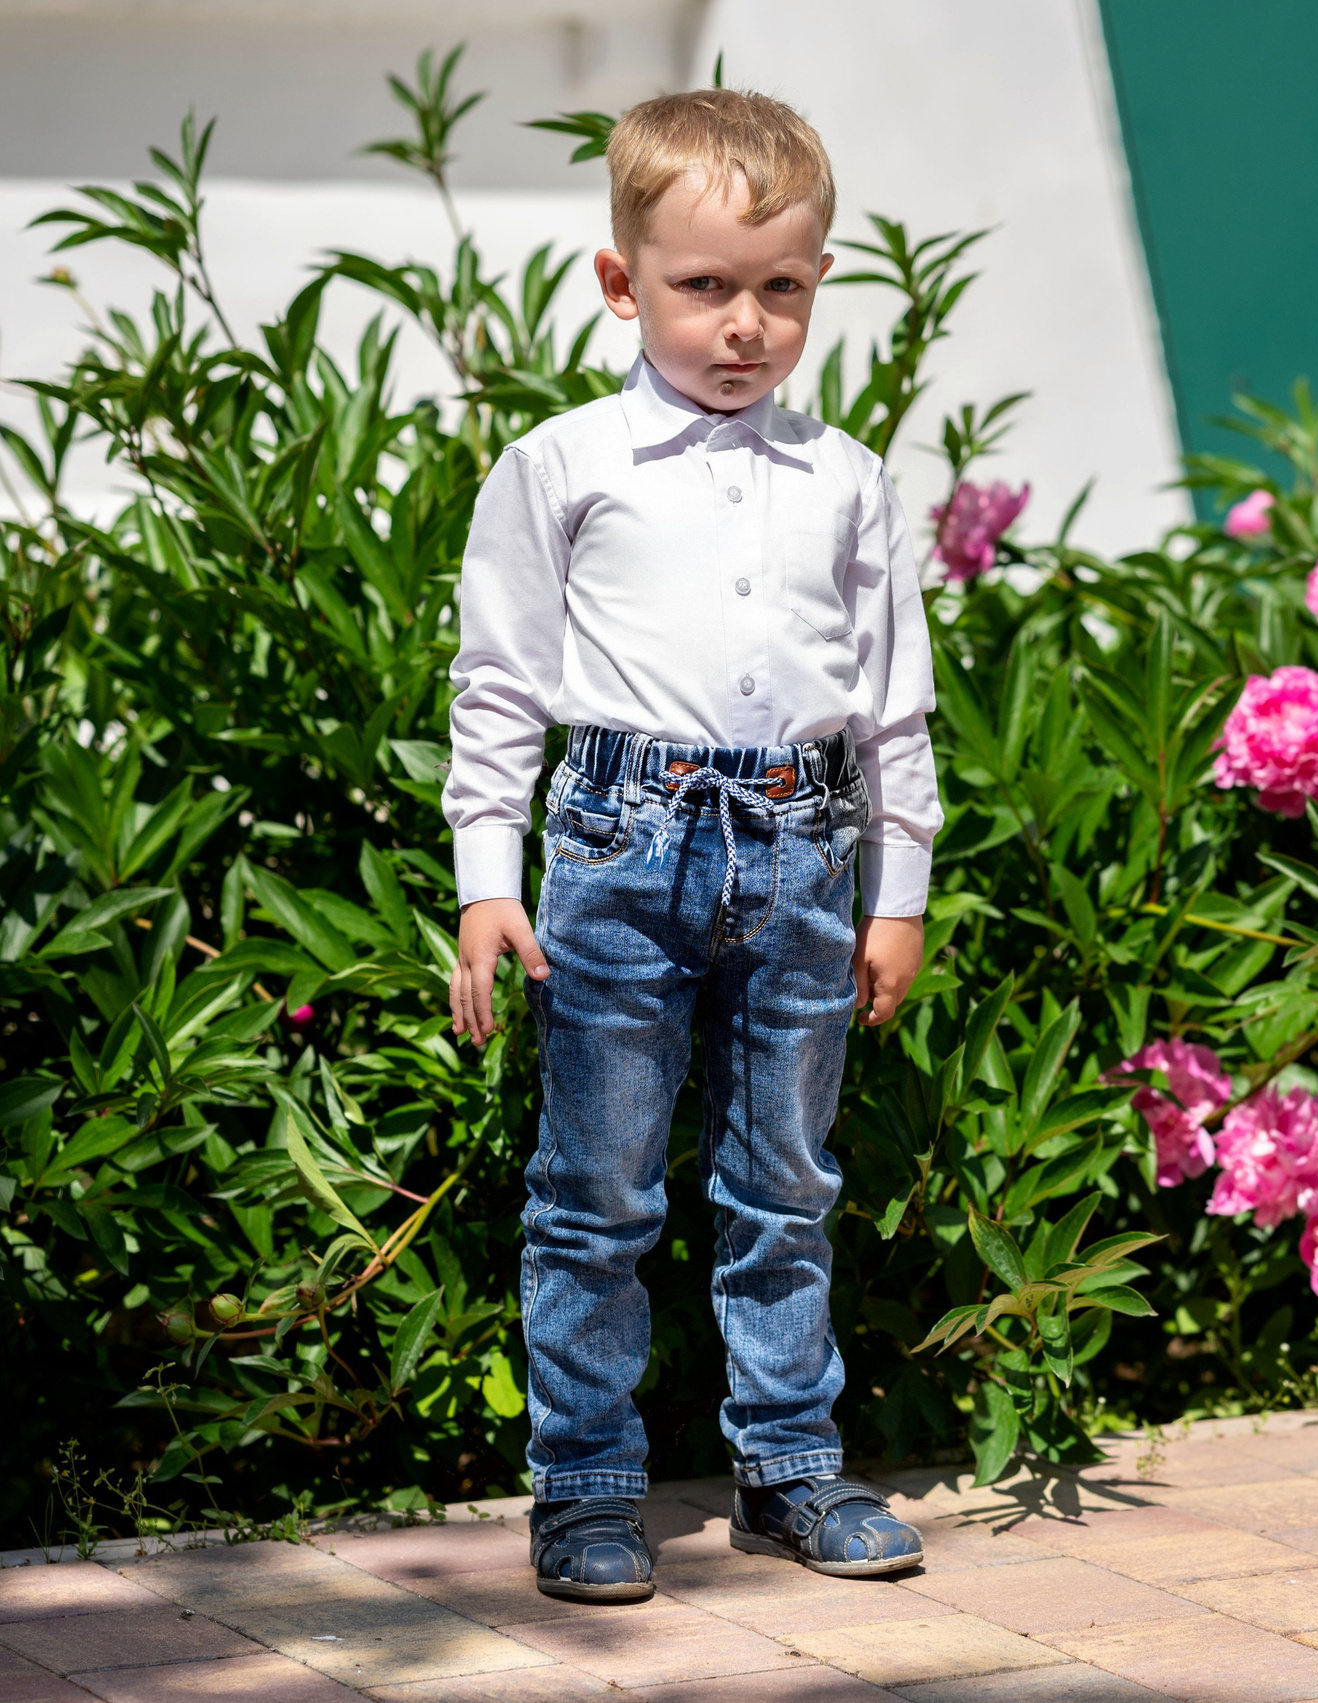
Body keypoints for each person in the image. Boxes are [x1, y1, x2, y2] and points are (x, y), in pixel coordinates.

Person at [442, 86, 939, 1603]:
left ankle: (790, 1466)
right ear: (622, 282)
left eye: (779, 289)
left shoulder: (846, 478)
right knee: (595, 1190)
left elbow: (891, 708)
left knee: (784, 1182)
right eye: (703, 286)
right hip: (619, 844)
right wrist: (486, 881)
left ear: (815, 287)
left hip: (802, 854)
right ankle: (585, 1489)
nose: (744, 324)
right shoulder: (563, 466)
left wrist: (895, 891)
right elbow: (500, 685)